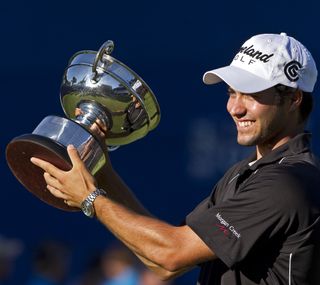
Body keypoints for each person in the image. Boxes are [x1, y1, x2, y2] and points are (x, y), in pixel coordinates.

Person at [30, 32, 320, 284]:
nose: (235, 108)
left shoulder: (288, 182)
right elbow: (160, 259)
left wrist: (91, 198)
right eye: (232, 93)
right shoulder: (244, 173)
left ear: (294, 99)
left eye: (251, 95)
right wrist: (100, 169)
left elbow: (171, 255)